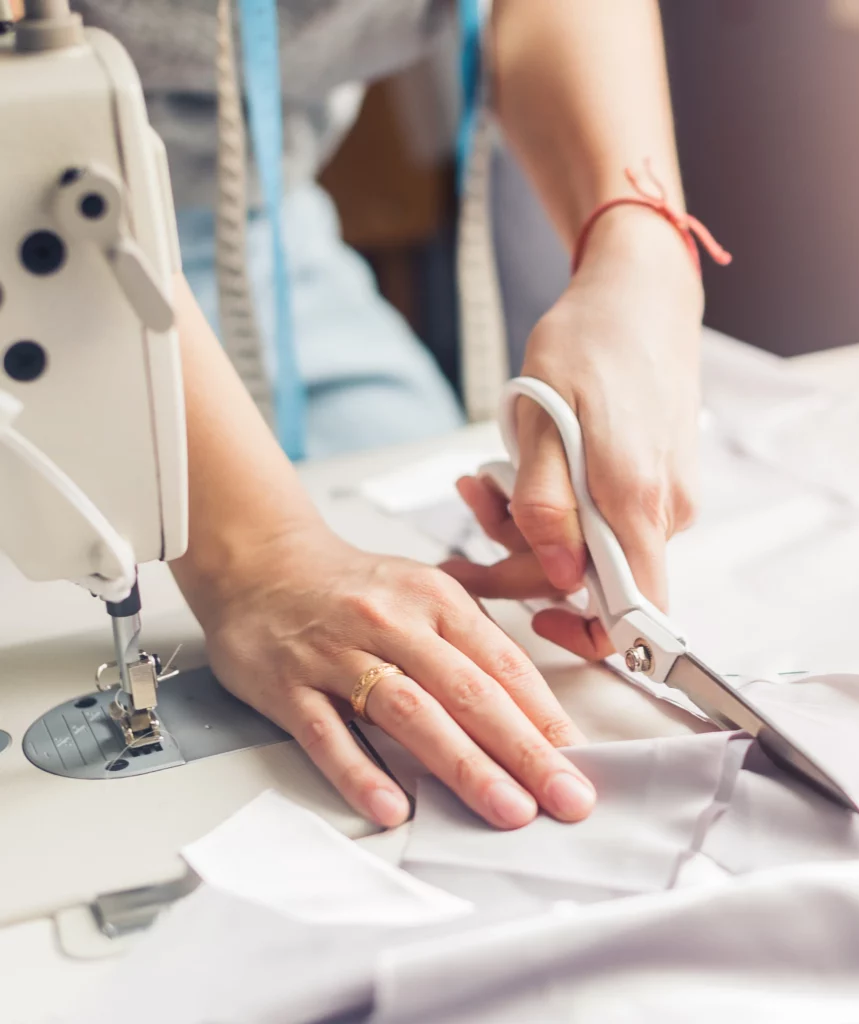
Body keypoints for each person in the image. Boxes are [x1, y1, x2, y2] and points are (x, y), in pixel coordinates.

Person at [72, 0, 707, 831]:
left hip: (271, 239)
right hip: (50, 250)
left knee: (419, 546)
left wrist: (638, 247)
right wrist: (259, 557)